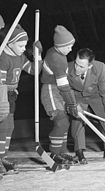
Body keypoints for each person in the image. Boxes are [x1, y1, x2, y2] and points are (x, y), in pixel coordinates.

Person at [0, 24, 43, 175]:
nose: (24, 48)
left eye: (25, 45)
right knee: (3, 127)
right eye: (21, 45)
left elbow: (33, 70)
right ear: (10, 43)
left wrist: (37, 55)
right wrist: (3, 101)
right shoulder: (3, 58)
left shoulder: (20, 55)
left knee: (9, 127)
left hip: (11, 95)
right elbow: (1, 82)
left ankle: (2, 158)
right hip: (1, 94)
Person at [67, 48, 105, 162]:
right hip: (76, 97)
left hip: (96, 95)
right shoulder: (67, 68)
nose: (77, 68)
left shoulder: (100, 67)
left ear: (90, 66)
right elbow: (65, 89)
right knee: (77, 121)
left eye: (81, 67)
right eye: (76, 64)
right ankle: (79, 152)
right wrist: (73, 104)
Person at [40, 25, 79, 165]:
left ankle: (62, 152)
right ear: (60, 45)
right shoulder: (57, 59)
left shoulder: (57, 52)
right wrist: (72, 103)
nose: (71, 49)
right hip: (51, 90)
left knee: (65, 123)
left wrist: (71, 102)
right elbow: (63, 86)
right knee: (61, 121)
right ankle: (54, 154)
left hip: (57, 89)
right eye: (68, 46)